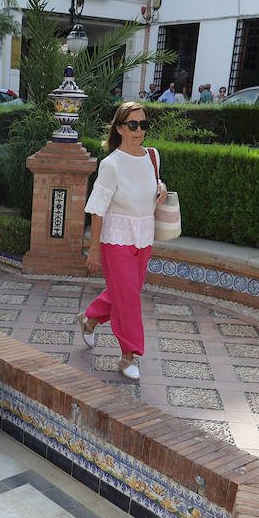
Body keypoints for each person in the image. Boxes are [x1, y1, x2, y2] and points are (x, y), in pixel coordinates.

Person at [80, 102, 166, 382]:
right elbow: (97, 208)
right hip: (116, 239)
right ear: (119, 128)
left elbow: (153, 182)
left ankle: (91, 318)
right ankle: (129, 355)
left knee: (124, 293)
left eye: (143, 124)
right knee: (128, 297)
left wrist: (161, 187)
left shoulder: (153, 156)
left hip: (144, 237)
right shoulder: (111, 164)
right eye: (133, 125)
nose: (139, 130)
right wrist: (94, 250)